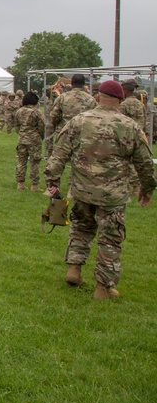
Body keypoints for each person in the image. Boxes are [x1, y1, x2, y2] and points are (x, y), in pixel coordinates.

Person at [45, 80, 155, 300]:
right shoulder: (129, 126)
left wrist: (52, 180)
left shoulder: (79, 121)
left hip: (82, 190)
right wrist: (147, 188)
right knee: (110, 240)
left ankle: (74, 270)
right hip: (112, 196)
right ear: (121, 101)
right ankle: (103, 288)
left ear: (97, 97)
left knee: (81, 229)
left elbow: (59, 152)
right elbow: (144, 163)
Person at [14, 91, 45, 191]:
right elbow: (41, 126)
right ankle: (34, 185)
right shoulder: (37, 112)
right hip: (34, 139)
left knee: (21, 161)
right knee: (34, 162)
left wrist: (22, 134)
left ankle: (20, 183)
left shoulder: (19, 111)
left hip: (22, 139)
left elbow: (16, 125)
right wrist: (40, 136)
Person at [50, 73, 96, 139]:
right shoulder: (91, 99)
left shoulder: (62, 97)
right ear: (83, 83)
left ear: (72, 83)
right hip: (83, 135)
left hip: (64, 134)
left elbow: (54, 116)